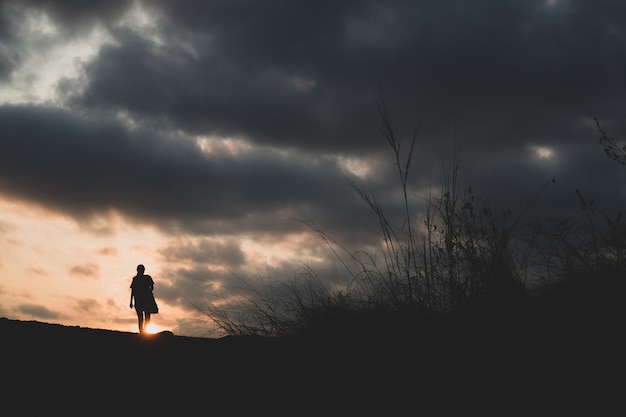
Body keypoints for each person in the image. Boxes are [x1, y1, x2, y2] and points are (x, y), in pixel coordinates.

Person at [129, 264, 159, 334]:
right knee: (143, 317)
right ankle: (142, 331)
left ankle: (144, 331)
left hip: (143, 300)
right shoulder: (140, 278)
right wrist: (131, 301)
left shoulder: (140, 278)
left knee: (144, 317)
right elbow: (133, 291)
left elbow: (151, 287)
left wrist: (131, 301)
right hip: (141, 300)